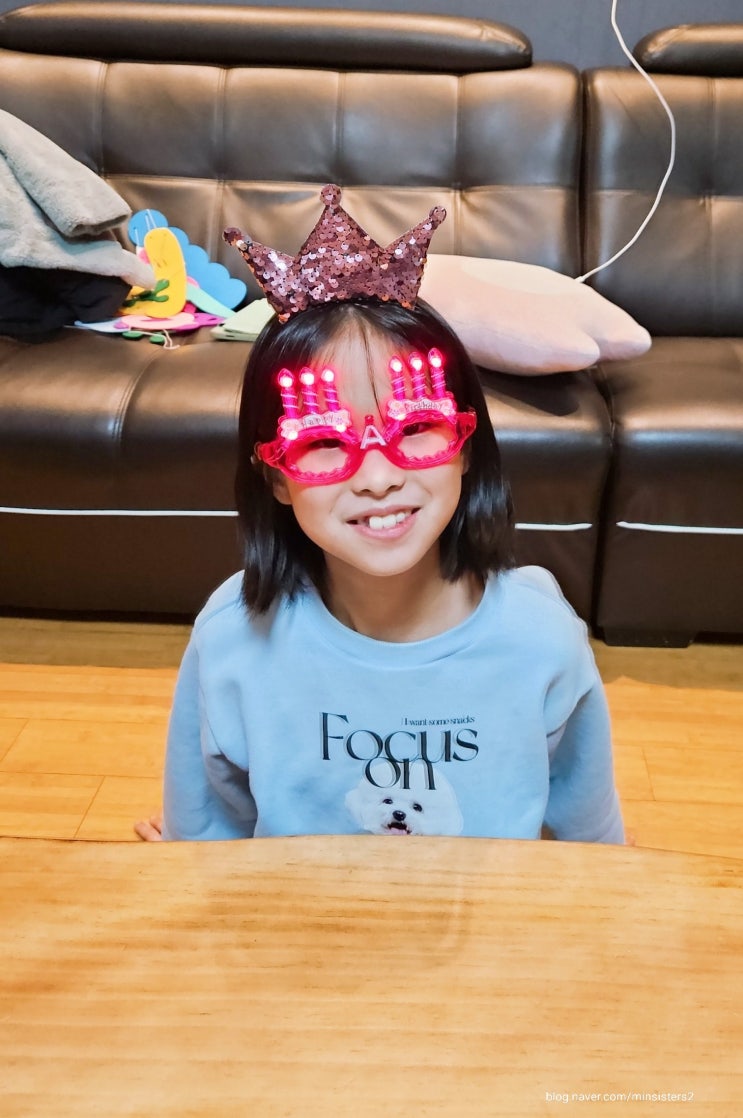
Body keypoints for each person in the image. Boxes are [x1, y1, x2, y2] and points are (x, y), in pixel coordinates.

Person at [135, 185, 624, 844]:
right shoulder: (231, 639)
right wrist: (181, 857)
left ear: (466, 445)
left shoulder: (541, 637)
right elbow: (207, 839)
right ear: (274, 476)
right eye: (323, 441)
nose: (377, 477)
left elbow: (591, 845)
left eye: (415, 428)